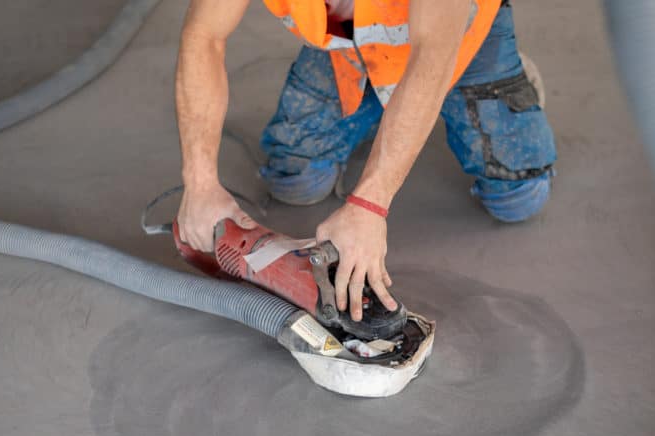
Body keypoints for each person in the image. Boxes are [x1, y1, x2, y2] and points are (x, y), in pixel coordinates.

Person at [175, 0, 556, 322]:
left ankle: (498, 79)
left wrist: (368, 205)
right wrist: (200, 183)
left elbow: (433, 55)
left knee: (518, 198)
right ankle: (387, 99)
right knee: (294, 181)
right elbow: (204, 37)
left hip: (452, 37)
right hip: (351, 37)